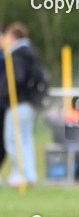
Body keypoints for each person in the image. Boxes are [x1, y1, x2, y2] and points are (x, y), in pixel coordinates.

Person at [1, 22, 46, 186]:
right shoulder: (30, 53)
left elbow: (17, 79)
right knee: (25, 139)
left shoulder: (17, 55)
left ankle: (19, 175)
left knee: (13, 139)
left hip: (19, 102)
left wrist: (4, 93)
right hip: (30, 103)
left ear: (13, 37)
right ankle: (30, 174)